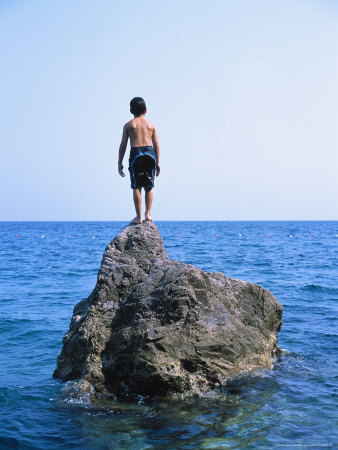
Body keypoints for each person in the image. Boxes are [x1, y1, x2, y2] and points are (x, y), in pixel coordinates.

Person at [118, 97, 161, 224]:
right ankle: (148, 214)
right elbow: (156, 144)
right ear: (146, 110)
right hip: (149, 153)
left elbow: (123, 145)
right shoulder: (151, 125)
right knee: (149, 185)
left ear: (131, 110)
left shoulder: (129, 125)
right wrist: (158, 162)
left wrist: (119, 162)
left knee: (136, 186)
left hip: (136, 153)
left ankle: (138, 217)